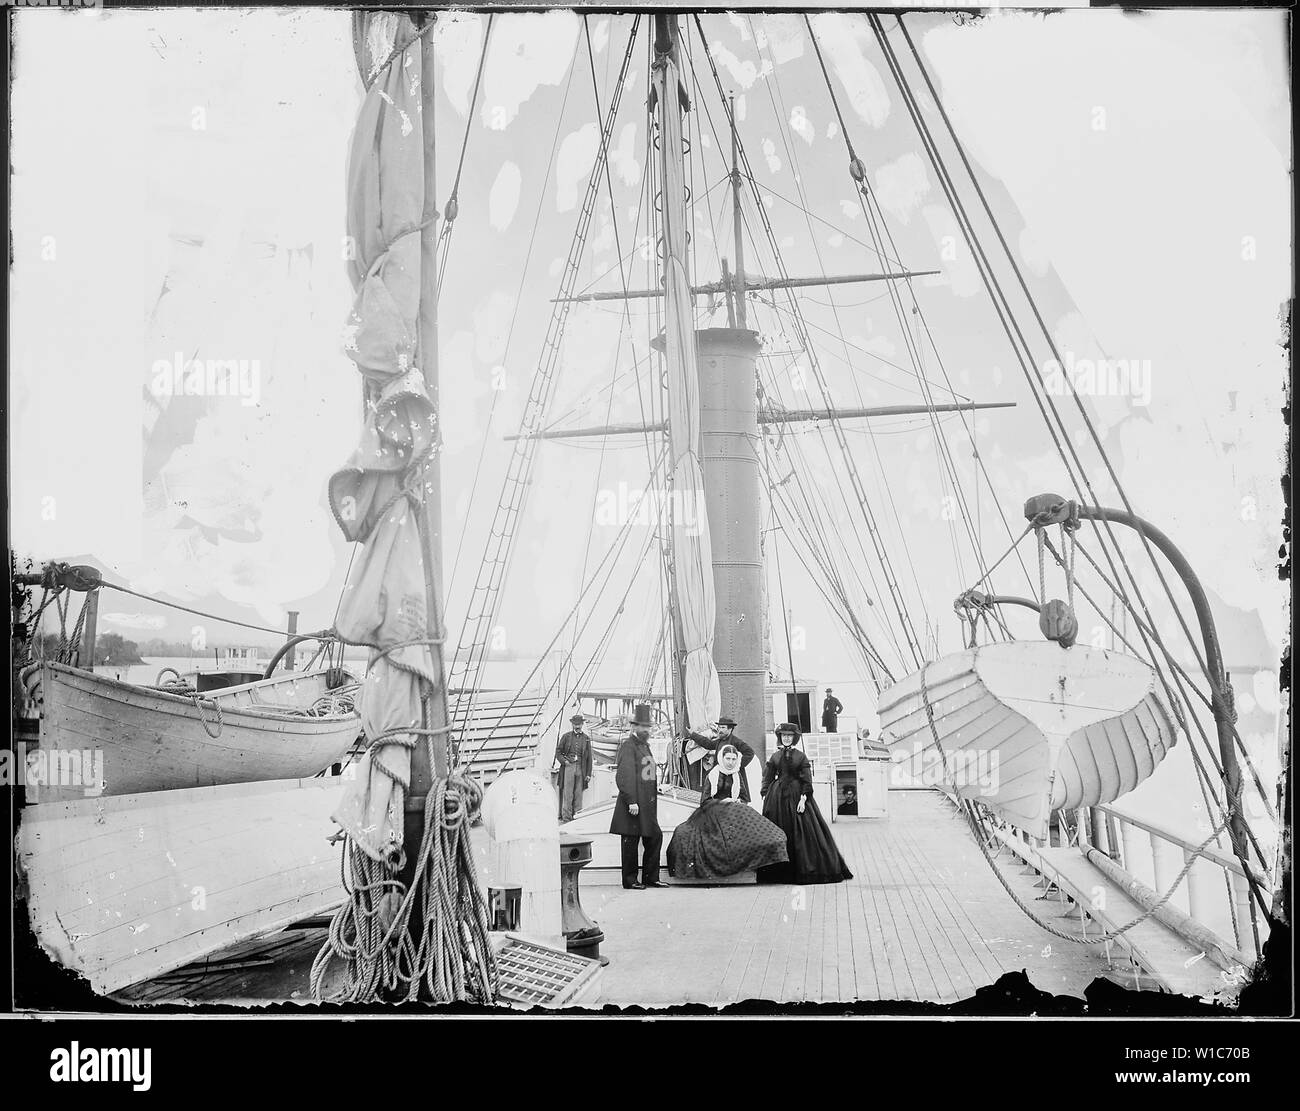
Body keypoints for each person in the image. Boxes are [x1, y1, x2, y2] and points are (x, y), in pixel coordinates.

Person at [667, 742, 788, 880]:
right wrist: (722, 802)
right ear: (721, 758)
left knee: (767, 835)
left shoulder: (737, 775)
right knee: (686, 833)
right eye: (728, 759)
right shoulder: (712, 775)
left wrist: (737, 802)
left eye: (733, 759)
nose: (730, 762)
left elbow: (744, 797)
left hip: (734, 811)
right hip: (713, 812)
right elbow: (705, 801)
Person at [758, 722, 853, 885]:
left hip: (796, 796)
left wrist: (803, 798)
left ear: (794, 738)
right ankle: (778, 873)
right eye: (784, 736)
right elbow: (768, 776)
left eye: (789, 736)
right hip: (777, 799)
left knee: (802, 832)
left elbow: (806, 781)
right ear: (780, 737)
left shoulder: (800, 756)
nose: (786, 738)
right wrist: (765, 794)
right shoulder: (775, 757)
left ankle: (802, 872)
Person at [609, 704, 667, 889]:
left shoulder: (644, 746)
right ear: (634, 727)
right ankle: (630, 880)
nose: (646, 730)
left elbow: (647, 774)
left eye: (648, 727)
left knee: (654, 836)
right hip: (633, 803)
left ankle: (651, 877)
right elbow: (624, 776)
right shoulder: (628, 746)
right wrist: (631, 801)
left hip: (647, 803)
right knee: (630, 841)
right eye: (643, 726)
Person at [684, 715, 755, 801]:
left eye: (723, 727)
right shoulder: (720, 741)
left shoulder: (736, 742)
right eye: (719, 727)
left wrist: (736, 765)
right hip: (720, 776)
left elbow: (750, 753)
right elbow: (708, 744)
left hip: (731, 778)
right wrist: (693, 735)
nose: (719, 730)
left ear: (730, 729)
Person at [554, 713, 593, 822]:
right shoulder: (566, 736)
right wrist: (564, 761)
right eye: (575, 724)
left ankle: (577, 818)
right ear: (572, 724)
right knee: (568, 794)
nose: (577, 726)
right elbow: (558, 752)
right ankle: (567, 819)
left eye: (579, 724)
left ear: (582, 724)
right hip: (569, 767)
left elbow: (589, 758)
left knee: (578, 795)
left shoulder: (586, 739)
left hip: (581, 768)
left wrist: (588, 774)